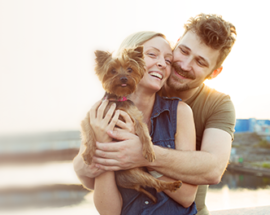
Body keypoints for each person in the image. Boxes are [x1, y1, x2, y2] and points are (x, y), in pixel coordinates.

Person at [81, 14, 237, 215]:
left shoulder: (207, 107)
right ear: (177, 44)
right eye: (183, 51)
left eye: (200, 62)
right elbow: (85, 171)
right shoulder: (124, 96)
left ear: (214, 73)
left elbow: (213, 169)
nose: (184, 65)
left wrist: (142, 154)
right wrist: (98, 150)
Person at [73, 31, 198, 215]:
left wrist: (142, 156)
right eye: (152, 54)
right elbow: (109, 212)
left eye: (168, 60)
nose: (162, 63)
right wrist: (103, 142)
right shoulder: (100, 116)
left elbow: (187, 196)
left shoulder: (180, 113)